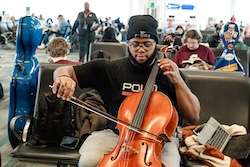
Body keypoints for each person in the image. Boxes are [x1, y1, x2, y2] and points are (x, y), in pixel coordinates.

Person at [52, 14, 200, 167]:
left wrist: (178, 82)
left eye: (147, 44)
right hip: (115, 135)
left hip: (157, 140)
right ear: (127, 43)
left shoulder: (170, 73)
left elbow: (193, 116)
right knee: (88, 160)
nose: (141, 50)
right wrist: (63, 78)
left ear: (155, 44)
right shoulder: (109, 68)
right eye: (135, 44)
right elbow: (64, 70)